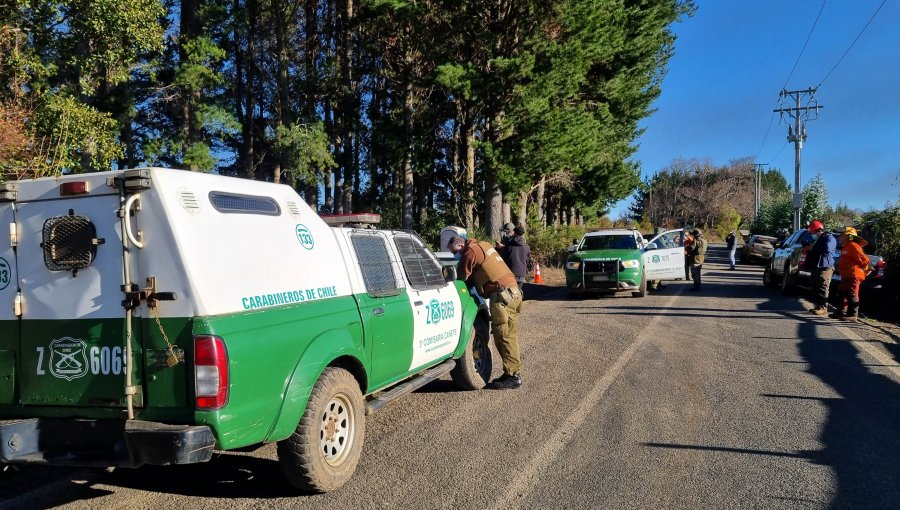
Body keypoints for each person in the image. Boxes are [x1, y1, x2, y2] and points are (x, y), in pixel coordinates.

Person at [447, 235, 523, 389]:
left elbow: (461, 277)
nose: (456, 256)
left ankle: (513, 377)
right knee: (510, 336)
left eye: (455, 252)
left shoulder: (470, 252)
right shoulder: (484, 245)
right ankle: (511, 373)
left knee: (503, 337)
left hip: (502, 297)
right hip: (514, 292)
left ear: (461, 247)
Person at [830, 227, 869, 322]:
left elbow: (864, 260)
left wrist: (865, 267)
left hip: (854, 274)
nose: (839, 237)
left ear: (848, 236)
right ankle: (841, 312)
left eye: (841, 235)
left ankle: (852, 315)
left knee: (852, 293)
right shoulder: (847, 246)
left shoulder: (853, 245)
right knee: (842, 292)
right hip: (847, 275)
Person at [804, 220, 836, 317]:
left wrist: (812, 248)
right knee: (815, 287)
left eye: (812, 232)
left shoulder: (829, 238)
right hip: (816, 266)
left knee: (823, 286)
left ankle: (823, 308)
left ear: (818, 230)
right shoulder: (817, 239)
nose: (811, 235)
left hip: (825, 267)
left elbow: (827, 249)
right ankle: (818, 306)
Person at [502, 225, 531, 292]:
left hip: (510, 272)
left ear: (514, 233)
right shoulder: (527, 247)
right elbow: (528, 261)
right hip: (522, 272)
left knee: (510, 293)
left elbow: (503, 258)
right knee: (518, 292)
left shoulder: (509, 246)